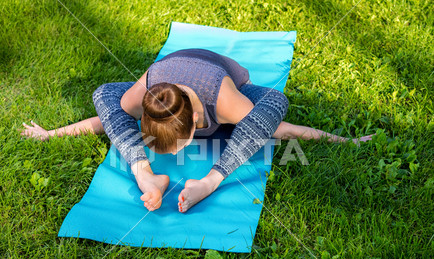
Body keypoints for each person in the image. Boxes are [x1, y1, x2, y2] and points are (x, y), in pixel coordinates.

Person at [20, 49, 375, 213]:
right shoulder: (144, 91)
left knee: (267, 113)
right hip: (169, 77)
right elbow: (106, 118)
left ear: (194, 127)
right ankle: (145, 175)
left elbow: (278, 129)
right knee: (106, 95)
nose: (175, 156)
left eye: (175, 147)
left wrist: (344, 140)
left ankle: (210, 181)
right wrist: (51, 134)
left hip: (218, 79)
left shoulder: (226, 103)